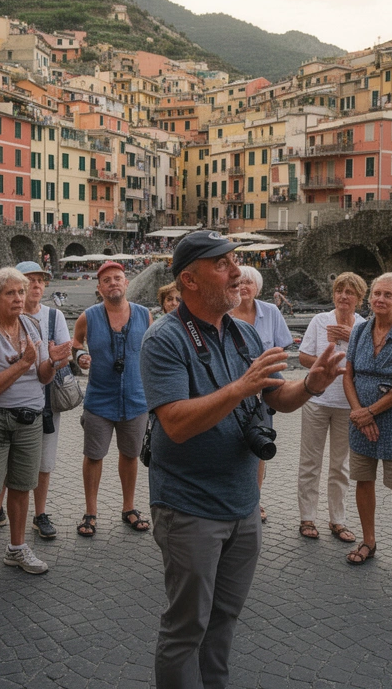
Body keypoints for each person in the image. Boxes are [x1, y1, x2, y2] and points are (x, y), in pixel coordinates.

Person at [141, 230, 346, 688]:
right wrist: (240, 387)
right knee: (185, 629)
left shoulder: (244, 334)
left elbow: (277, 398)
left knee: (224, 619)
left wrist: (310, 385)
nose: (237, 272)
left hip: (244, 504)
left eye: (235, 262)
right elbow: (175, 424)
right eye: (222, 264)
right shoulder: (164, 339)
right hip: (189, 508)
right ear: (189, 280)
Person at [0, 267, 58, 588]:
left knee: (21, 486)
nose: (19, 298)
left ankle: (16, 548)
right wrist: (23, 363)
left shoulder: (32, 325)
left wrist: (53, 362)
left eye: (21, 292)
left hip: (31, 419)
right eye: (11, 293)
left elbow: (42, 376)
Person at [343, 272, 392, 575]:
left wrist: (371, 413)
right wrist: (358, 413)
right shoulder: (359, 331)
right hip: (360, 418)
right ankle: (368, 541)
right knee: (363, 480)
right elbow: (348, 375)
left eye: (388, 295)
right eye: (377, 293)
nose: (380, 299)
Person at [0, 262, 73, 539]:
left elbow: (62, 355)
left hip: (45, 399)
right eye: (29, 280)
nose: (35, 285)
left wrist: (56, 359)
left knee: (43, 461)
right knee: (5, 461)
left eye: (40, 281)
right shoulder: (0, 322)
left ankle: (40, 513)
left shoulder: (52, 316)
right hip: (6, 402)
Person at [71, 261, 152, 537]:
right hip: (99, 399)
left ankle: (129, 508)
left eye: (117, 278)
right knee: (94, 456)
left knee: (130, 455)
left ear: (126, 283)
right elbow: (76, 344)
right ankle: (90, 512)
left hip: (136, 399)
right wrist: (80, 356)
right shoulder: (88, 317)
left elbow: (153, 352)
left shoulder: (144, 315)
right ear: (99, 288)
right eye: (107, 280)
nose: (113, 283)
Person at [296, 272, 367, 544]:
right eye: (339, 290)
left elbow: (369, 361)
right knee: (310, 462)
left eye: (350, 292)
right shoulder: (320, 320)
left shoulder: (363, 327)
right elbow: (303, 357)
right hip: (316, 400)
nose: (343, 296)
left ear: (359, 299)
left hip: (347, 404)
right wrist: (325, 363)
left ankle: (338, 519)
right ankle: (307, 517)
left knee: (341, 465)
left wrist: (352, 337)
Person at [230, 266, 293, 524]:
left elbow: (282, 348)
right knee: (229, 445)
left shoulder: (271, 312)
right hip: (231, 390)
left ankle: (254, 500)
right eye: (240, 282)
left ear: (258, 288)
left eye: (249, 282)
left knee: (259, 445)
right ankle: (232, 497)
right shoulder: (225, 312)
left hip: (262, 393)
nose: (244, 286)